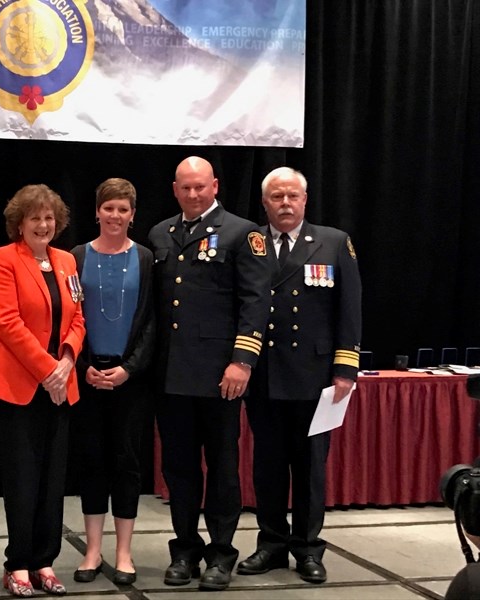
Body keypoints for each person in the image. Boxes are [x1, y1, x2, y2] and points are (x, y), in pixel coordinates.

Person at [148, 156, 271, 591]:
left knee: (221, 467)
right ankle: (184, 549)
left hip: (221, 375)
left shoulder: (243, 233)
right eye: (186, 187)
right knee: (179, 470)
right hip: (172, 375)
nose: (194, 194)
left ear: (215, 185)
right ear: (175, 188)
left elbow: (256, 302)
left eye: (201, 186)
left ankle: (221, 554)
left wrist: (243, 360)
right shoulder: (161, 233)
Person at [237, 166, 361, 584]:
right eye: (277, 197)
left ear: (305, 200)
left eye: (292, 196)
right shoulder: (250, 243)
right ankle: (271, 544)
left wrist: (345, 369)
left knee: (310, 468)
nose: (285, 204)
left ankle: (308, 548)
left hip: (315, 376)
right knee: (267, 465)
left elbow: (349, 309)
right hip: (266, 376)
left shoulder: (333, 242)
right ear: (264, 202)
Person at [0, 184, 85, 597]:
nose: (43, 224)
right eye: (35, 218)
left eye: (49, 218)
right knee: (22, 480)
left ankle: (44, 561)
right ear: (19, 223)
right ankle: (17, 563)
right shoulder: (5, 258)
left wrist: (68, 360)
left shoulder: (67, 260)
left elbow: (78, 318)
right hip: (18, 386)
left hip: (60, 384)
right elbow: (6, 321)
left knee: (53, 480)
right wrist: (47, 371)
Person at [69, 178, 154, 585]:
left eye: (123, 209)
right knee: (91, 462)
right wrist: (83, 365)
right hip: (86, 377)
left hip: (129, 379)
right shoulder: (76, 256)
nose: (115, 216)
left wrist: (129, 369)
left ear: (132, 215)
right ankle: (92, 551)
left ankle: (123, 553)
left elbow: (151, 323)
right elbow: (68, 318)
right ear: (97, 212)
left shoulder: (147, 258)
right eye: (108, 208)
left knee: (126, 463)